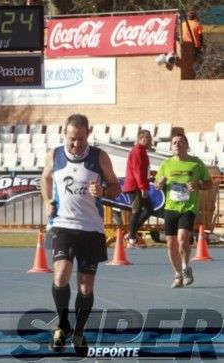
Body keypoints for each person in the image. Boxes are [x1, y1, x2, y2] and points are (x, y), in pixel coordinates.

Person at [40, 114, 121, 356]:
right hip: (63, 224)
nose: (76, 144)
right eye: (72, 139)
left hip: (91, 228)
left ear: (89, 134)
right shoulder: (55, 154)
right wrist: (46, 201)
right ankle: (62, 324)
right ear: (65, 134)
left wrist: (104, 190)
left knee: (85, 288)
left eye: (81, 139)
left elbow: (116, 187)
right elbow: (44, 177)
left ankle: (79, 331)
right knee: (61, 274)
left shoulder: (99, 157)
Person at [155, 133, 212, 288]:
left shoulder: (196, 163)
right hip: (171, 207)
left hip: (188, 207)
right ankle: (177, 274)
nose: (177, 144)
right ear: (171, 147)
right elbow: (157, 185)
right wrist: (159, 183)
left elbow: (209, 183)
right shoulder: (166, 164)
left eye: (181, 142)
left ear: (187, 145)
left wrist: (199, 186)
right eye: (174, 142)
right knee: (170, 243)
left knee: (182, 238)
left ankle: (186, 268)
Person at [123, 130, 153, 248]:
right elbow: (137, 172)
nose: (150, 141)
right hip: (135, 186)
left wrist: (148, 178)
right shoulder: (137, 151)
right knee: (136, 211)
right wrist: (143, 187)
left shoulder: (142, 151)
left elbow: (143, 170)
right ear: (141, 139)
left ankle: (131, 233)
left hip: (139, 185)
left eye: (150, 139)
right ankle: (131, 239)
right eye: (147, 139)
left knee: (148, 209)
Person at [181, 9, 204, 78]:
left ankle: (188, 73)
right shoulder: (197, 24)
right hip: (194, 46)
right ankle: (194, 73)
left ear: (188, 16)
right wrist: (202, 45)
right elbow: (200, 36)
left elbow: (180, 34)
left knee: (186, 60)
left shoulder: (183, 24)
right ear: (195, 16)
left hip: (185, 45)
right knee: (195, 60)